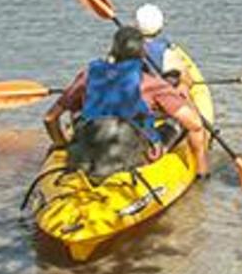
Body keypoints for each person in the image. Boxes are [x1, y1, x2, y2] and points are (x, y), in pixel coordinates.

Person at [44, 25, 211, 178]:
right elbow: (195, 124)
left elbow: (50, 118)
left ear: (113, 51)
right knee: (178, 122)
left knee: (77, 113)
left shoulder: (87, 76)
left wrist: (61, 145)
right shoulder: (152, 84)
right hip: (133, 158)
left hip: (86, 158)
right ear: (142, 53)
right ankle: (202, 173)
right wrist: (202, 171)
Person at [135, 3, 187, 86]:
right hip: (158, 91)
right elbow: (184, 79)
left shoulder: (126, 49)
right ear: (160, 28)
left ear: (136, 26)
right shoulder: (167, 52)